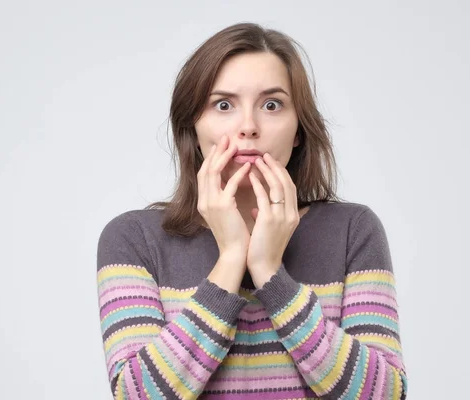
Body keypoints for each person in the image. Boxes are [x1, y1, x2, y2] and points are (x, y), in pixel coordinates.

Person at [96, 22, 408, 399]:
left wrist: (270, 273)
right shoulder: (133, 239)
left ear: (298, 131)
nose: (248, 127)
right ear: (193, 126)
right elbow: (138, 395)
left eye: (271, 105)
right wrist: (231, 259)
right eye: (223, 105)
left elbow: (383, 394)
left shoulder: (353, 230)